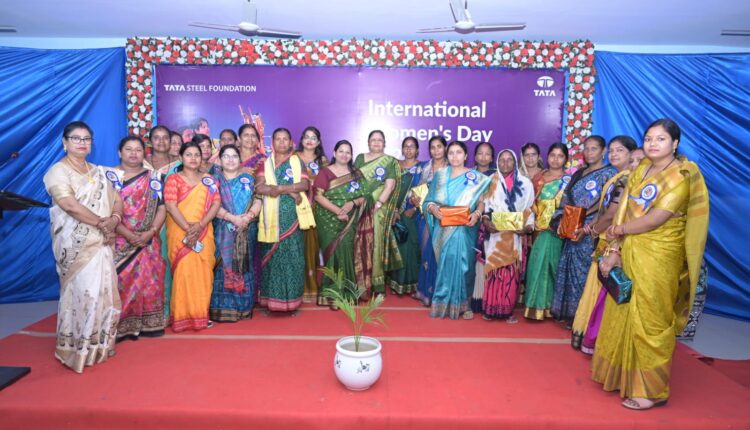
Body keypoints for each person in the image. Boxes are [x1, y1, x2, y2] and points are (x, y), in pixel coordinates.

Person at [592, 119, 709, 410]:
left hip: (659, 255)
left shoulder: (682, 174)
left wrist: (619, 230)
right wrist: (614, 249)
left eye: (660, 139)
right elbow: (622, 212)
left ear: (675, 144)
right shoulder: (640, 169)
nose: (652, 144)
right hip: (628, 247)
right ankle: (621, 377)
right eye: (648, 138)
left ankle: (652, 390)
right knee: (623, 312)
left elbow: (658, 217)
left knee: (651, 319)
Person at [43, 121, 122, 373]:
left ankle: (99, 345)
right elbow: (69, 205)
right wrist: (102, 223)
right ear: (64, 142)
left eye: (86, 139)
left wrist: (114, 220)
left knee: (103, 292)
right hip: (76, 244)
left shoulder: (99, 172)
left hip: (102, 241)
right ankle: (76, 348)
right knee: (84, 292)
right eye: (76, 138)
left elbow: (117, 200)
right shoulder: (58, 171)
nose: (82, 143)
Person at [571, 136, 637, 352]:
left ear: (631, 154)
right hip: (606, 237)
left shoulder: (626, 179)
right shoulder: (618, 177)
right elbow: (605, 212)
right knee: (597, 284)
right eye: (613, 151)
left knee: (603, 285)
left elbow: (611, 214)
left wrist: (592, 230)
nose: (614, 154)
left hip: (613, 240)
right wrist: (592, 229)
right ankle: (593, 335)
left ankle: (600, 337)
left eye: (620, 151)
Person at [551, 136, 617, 324]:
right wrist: (561, 221)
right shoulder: (579, 173)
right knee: (569, 271)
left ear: (603, 151)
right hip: (571, 228)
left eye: (594, 148)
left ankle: (583, 318)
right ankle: (570, 315)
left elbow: (606, 206)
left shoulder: (609, 174)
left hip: (591, 230)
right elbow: (566, 199)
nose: (589, 152)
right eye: (586, 148)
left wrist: (587, 227)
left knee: (585, 273)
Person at [424, 141, 491, 320]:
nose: (455, 156)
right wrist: (433, 209)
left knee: (465, 266)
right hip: (443, 228)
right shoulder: (440, 175)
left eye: (459, 152)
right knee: (445, 265)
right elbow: (429, 200)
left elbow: (481, 202)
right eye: (451, 153)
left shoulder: (476, 178)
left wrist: (477, 214)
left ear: (466, 155)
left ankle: (464, 305)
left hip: (465, 228)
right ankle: (442, 302)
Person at [110, 136, 167, 340]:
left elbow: (162, 208)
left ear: (144, 153)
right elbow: (105, 209)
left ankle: (150, 324)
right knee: (120, 281)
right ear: (120, 152)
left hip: (148, 240)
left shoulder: (155, 178)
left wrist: (151, 231)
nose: (133, 153)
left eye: (138, 150)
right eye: (129, 149)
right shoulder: (109, 177)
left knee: (150, 280)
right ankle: (121, 326)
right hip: (119, 239)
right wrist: (127, 234)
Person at [164, 141, 221, 332]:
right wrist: (189, 229)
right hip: (181, 232)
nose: (193, 158)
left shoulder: (209, 180)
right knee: (183, 274)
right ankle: (181, 316)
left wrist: (200, 225)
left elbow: (215, 204)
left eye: (197, 154)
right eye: (188, 154)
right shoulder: (173, 179)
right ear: (181, 157)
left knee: (203, 274)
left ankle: (200, 315)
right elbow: (170, 205)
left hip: (203, 231)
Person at [255, 128, 313, 313]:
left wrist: (279, 188)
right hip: (270, 220)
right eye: (278, 139)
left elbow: (305, 184)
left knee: (293, 258)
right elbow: (260, 187)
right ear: (272, 142)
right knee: (272, 260)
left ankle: (292, 302)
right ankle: (271, 301)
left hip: (293, 220)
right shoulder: (266, 164)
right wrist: (290, 190)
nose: (281, 142)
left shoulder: (297, 162)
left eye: (285, 139)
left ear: (290, 142)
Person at [209, 144, 262, 322]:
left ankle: (243, 308)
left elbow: (258, 200)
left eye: (234, 156)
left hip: (246, 230)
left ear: (240, 160)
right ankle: (221, 308)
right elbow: (209, 205)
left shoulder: (249, 179)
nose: (230, 160)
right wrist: (232, 218)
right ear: (219, 159)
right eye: (226, 156)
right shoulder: (212, 181)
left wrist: (248, 217)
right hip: (221, 230)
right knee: (221, 269)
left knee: (243, 265)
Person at [481, 149, 535, 322]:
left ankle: (507, 311)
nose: (505, 163)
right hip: (495, 237)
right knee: (494, 273)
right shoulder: (490, 181)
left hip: (514, 237)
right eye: (502, 160)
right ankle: (490, 310)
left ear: (515, 162)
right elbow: (484, 207)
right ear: (497, 162)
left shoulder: (525, 183)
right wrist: (486, 221)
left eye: (509, 159)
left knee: (511, 274)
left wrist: (527, 228)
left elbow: (529, 209)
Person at [313, 140, 368, 306]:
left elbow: (365, 196)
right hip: (327, 219)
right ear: (334, 153)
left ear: (351, 155)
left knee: (346, 251)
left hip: (350, 219)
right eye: (341, 151)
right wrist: (338, 211)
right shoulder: (325, 172)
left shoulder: (356, 174)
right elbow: (318, 196)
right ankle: (331, 293)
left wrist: (352, 203)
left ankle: (347, 292)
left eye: (348, 152)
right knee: (332, 253)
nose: (344, 155)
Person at [354, 130, 403, 297]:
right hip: (359, 206)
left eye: (379, 140)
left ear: (384, 143)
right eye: (373, 140)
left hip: (378, 209)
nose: (376, 142)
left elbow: (389, 186)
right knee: (359, 243)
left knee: (376, 244)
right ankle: (360, 282)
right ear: (368, 142)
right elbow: (354, 182)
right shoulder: (360, 158)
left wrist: (378, 203)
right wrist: (357, 201)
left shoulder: (389, 161)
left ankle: (377, 284)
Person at [523, 143, 569, 320]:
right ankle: (535, 306)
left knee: (552, 266)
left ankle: (550, 306)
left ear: (566, 159)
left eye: (560, 156)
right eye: (552, 155)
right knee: (536, 265)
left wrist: (558, 221)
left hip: (557, 230)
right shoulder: (539, 177)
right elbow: (530, 201)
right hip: (538, 228)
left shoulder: (569, 180)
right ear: (547, 157)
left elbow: (572, 205)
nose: (555, 159)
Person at [414, 135, 448, 305]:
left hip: (444, 217)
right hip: (424, 217)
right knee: (426, 253)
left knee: (439, 254)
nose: (436, 150)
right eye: (432, 147)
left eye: (439, 146)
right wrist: (413, 199)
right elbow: (414, 189)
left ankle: (439, 292)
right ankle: (425, 291)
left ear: (445, 148)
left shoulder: (452, 168)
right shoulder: (423, 168)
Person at [297, 126, 328, 303]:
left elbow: (328, 184)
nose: (309, 140)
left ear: (318, 142)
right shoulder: (293, 158)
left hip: (317, 209)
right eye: (306, 137)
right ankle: (296, 287)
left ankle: (311, 286)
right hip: (297, 208)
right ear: (302, 140)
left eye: (313, 137)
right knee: (297, 247)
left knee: (313, 248)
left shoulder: (322, 161)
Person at [388, 137, 422, 295]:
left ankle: (410, 283)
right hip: (394, 212)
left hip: (412, 213)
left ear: (417, 150)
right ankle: (396, 282)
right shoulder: (396, 166)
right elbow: (390, 188)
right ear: (402, 149)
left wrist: (414, 209)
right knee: (397, 246)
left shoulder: (422, 168)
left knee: (410, 247)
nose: (409, 149)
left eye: (412, 146)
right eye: (406, 146)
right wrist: (394, 209)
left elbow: (425, 189)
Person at [237, 123, 267, 296]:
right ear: (239, 138)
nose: (249, 139)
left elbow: (267, 184)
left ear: (258, 140)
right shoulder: (230, 157)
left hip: (255, 211)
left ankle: (253, 292)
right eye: (245, 135)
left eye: (253, 135)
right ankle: (234, 292)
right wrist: (239, 169)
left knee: (254, 252)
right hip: (230, 213)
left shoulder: (263, 160)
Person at [470, 142, 497, 312]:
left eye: (487, 154)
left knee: (487, 261)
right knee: (471, 261)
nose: (483, 157)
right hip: (470, 222)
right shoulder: (468, 175)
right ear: (474, 156)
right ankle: (473, 299)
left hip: (490, 223)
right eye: (480, 153)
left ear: (492, 157)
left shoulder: (497, 177)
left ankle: (488, 299)